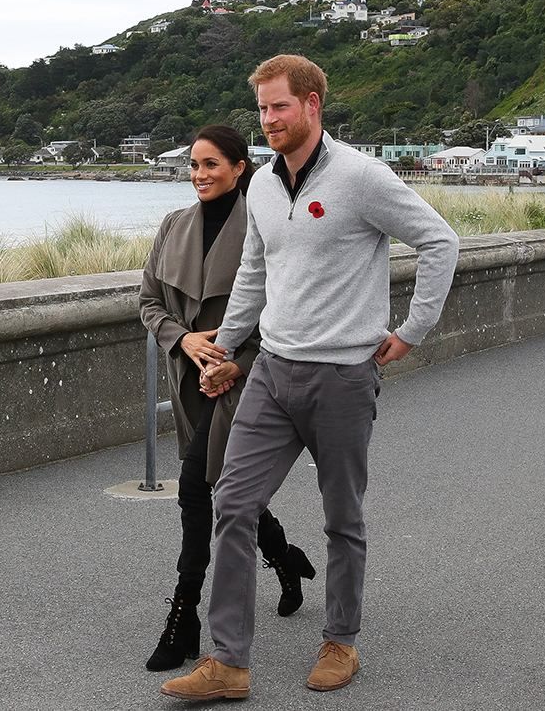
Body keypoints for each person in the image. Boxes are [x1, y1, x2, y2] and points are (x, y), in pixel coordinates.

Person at [161, 55, 459, 701]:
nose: (269, 120)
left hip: (343, 377)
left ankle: (340, 640)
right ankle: (229, 662)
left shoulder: (361, 177)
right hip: (271, 370)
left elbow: (440, 242)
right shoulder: (263, 186)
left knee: (341, 518)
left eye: (279, 107)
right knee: (233, 505)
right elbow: (254, 275)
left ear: (313, 104)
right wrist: (229, 347)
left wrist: (412, 331)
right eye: (262, 109)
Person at [139, 124, 316, 673]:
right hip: (189, 377)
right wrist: (182, 337)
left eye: (212, 164)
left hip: (246, 381)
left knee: (196, 488)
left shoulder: (263, 225)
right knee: (225, 485)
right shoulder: (173, 226)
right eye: (194, 165)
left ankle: (184, 613)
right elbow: (148, 301)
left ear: (241, 168)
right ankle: (285, 558)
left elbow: (287, 306)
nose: (200, 174)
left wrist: (237, 361)